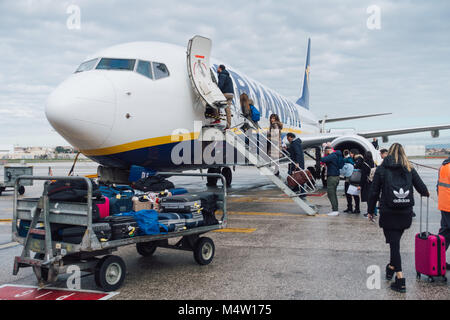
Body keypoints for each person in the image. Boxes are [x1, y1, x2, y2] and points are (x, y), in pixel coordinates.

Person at [368, 143, 429, 293]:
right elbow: (423, 189)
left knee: (394, 244)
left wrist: (370, 210)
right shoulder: (409, 168)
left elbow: (374, 191)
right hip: (405, 213)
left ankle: (400, 279)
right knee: (394, 242)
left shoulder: (382, 169)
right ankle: (391, 268)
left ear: (389, 153)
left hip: (388, 212)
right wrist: (425, 193)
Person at [321, 147, 343, 216]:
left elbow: (323, 160)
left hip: (332, 177)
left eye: (325, 152)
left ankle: (335, 210)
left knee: (331, 194)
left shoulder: (332, 155)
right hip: (336, 177)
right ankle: (335, 209)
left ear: (328, 151)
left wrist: (322, 154)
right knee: (333, 194)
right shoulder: (336, 155)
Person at [437, 155, 450, 270]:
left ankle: (437, 260)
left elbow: (438, 186)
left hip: (444, 205)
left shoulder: (443, 166)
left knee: (445, 233)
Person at [355, 151, 374, 216]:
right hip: (373, 181)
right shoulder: (373, 163)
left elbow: (363, 176)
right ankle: (373, 212)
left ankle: (369, 212)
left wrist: (360, 185)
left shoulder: (364, 164)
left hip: (367, 182)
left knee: (368, 198)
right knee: (372, 198)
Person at [217, 65, 234, 129]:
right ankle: (228, 125)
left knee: (215, 101)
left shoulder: (222, 75)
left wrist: (217, 90)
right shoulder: (228, 76)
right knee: (228, 109)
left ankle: (217, 117)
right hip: (231, 94)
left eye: (218, 68)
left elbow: (220, 84)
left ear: (220, 68)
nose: (217, 69)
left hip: (225, 93)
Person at [349, 149, 362, 214]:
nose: (350, 155)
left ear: (354, 153)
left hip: (356, 179)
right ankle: (356, 208)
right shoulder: (358, 159)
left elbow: (357, 166)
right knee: (354, 194)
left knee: (355, 194)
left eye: (351, 153)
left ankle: (357, 209)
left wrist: (353, 164)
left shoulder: (359, 159)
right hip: (356, 179)